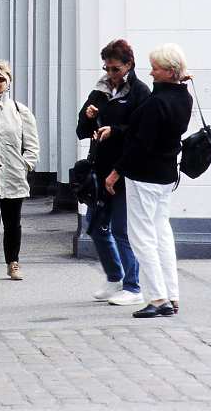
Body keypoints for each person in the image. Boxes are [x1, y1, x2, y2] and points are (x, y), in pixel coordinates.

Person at [106, 43, 193, 319]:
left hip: (144, 175)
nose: (151, 72)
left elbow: (141, 144)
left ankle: (157, 297)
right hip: (167, 175)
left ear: (169, 72)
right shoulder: (183, 97)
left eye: (156, 68)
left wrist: (116, 171)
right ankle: (172, 294)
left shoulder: (157, 103)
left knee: (141, 236)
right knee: (162, 233)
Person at [77, 39, 150, 306]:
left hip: (125, 170)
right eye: (107, 68)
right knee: (95, 226)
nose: (110, 74)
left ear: (129, 65)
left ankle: (133, 286)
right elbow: (81, 131)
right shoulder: (100, 90)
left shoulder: (140, 92)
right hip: (100, 169)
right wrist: (88, 116)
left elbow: (142, 131)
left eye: (115, 69)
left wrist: (114, 130)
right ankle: (114, 277)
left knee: (121, 229)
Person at [0, 61, 39, 286]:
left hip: (13, 175)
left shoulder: (20, 111)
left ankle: (13, 262)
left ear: (8, 82)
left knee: (13, 222)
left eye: (0, 79)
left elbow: (32, 145)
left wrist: (25, 166)